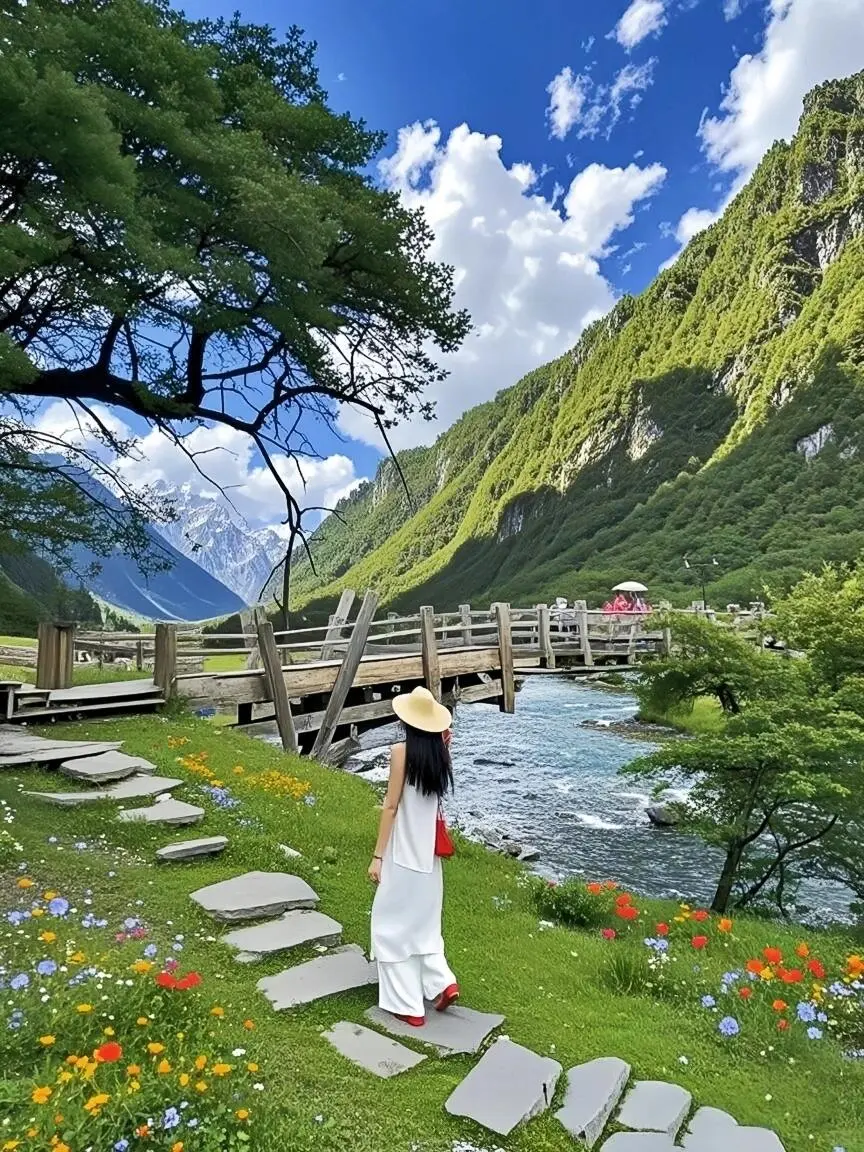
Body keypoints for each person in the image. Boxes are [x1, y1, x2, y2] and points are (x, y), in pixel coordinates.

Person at [368, 685, 459, 1027]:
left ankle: (407, 1005)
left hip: (402, 856)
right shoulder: (441, 755)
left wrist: (378, 856)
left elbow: (391, 806)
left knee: (389, 927)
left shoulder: (400, 752)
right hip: (429, 862)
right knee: (423, 928)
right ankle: (442, 982)